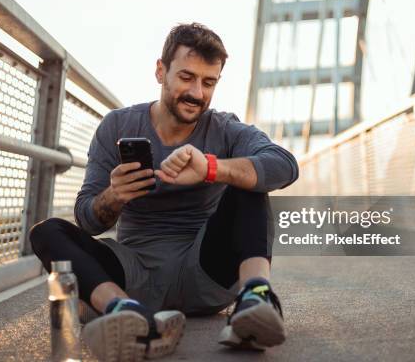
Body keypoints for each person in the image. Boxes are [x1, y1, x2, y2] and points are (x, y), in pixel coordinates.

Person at [29, 22, 299, 361]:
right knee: (46, 232)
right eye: (186, 77)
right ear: (161, 71)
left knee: (250, 178)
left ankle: (256, 297)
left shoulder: (224, 128)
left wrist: (212, 168)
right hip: (135, 273)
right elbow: (88, 220)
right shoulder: (117, 126)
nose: (197, 93)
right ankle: (126, 313)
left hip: (206, 272)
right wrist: (114, 196)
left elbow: (286, 165)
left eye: (208, 82)